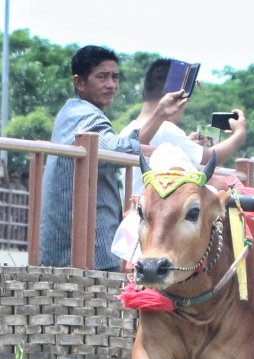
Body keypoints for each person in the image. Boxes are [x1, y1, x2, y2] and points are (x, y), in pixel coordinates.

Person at [39, 45, 187, 271]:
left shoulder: (72, 112)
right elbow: (119, 152)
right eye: (102, 77)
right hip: (86, 250)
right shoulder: (86, 116)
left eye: (115, 77)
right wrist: (159, 115)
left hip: (68, 249)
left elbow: (116, 151)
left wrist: (159, 115)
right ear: (79, 82)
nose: (111, 84)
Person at [120, 58, 247, 196]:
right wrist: (239, 135)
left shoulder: (128, 130)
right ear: (177, 96)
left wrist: (187, 142)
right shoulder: (166, 128)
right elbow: (207, 158)